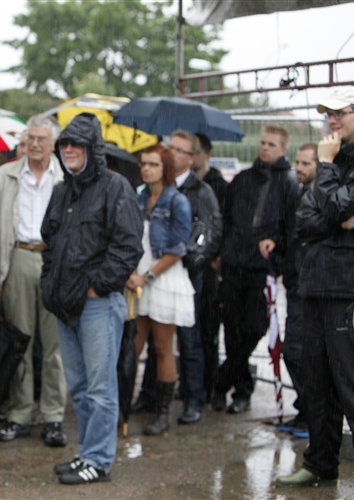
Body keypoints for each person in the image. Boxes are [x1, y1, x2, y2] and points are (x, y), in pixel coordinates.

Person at [276, 87, 354, 500]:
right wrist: (338, 219)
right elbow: (305, 221)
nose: (332, 120)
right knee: (317, 383)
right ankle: (319, 464)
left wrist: (326, 174)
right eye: (328, 113)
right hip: (318, 284)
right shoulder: (333, 162)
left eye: (340, 113)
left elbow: (335, 205)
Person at [41, 113, 142, 485]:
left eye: (76, 144)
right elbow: (49, 244)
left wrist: (98, 287)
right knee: (80, 388)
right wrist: (49, 284)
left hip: (98, 305)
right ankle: (88, 453)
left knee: (101, 389)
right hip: (65, 307)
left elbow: (129, 245)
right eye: (64, 144)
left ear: (91, 149)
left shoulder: (116, 187)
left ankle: (98, 460)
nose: (68, 149)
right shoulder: (60, 191)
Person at [0, 115, 68, 447]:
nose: (34, 143)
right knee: (20, 341)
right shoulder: (5, 175)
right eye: (30, 137)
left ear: (53, 144)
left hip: (52, 261)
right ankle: (19, 413)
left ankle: (53, 416)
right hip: (16, 255)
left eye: (41, 139)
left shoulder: (64, 177)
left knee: (55, 345)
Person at [212, 125, 298, 414]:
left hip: (263, 270)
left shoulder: (288, 183)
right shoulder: (243, 179)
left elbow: (293, 228)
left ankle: (223, 379)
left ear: (283, 149)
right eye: (263, 143)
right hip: (234, 264)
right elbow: (226, 218)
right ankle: (239, 390)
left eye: (272, 144)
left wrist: (276, 245)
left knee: (255, 328)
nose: (265, 148)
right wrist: (221, 252)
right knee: (232, 329)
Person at [127, 143, 194, 436]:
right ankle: (125, 404)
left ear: (164, 168)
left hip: (163, 279)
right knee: (133, 343)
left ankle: (162, 412)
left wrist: (148, 277)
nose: (146, 168)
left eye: (153, 164)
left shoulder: (177, 201)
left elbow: (179, 248)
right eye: (143, 163)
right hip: (137, 277)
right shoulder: (138, 197)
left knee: (163, 346)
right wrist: (131, 272)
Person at [168, 130, 222, 425]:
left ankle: (194, 398)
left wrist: (191, 260)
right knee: (160, 337)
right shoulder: (158, 186)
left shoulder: (201, 191)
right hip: (161, 271)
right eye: (170, 148)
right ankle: (155, 396)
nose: (171, 153)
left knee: (191, 338)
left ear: (191, 158)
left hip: (188, 274)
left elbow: (212, 233)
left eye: (179, 150)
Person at [275, 142, 318, 439]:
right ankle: (306, 410)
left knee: (297, 352)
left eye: (306, 164)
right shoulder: (300, 193)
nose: (299, 169)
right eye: (298, 163)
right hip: (295, 283)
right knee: (293, 352)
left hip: (310, 286)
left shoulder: (319, 197)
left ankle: (313, 414)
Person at [192, 132, 228, 401]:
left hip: (210, 264)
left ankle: (211, 385)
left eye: (196, 151)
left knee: (208, 328)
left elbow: (221, 224)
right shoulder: (184, 186)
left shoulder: (217, 186)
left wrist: (216, 255)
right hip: (192, 263)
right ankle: (193, 383)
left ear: (207, 154)